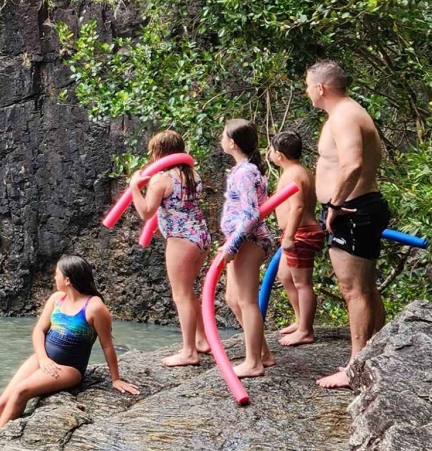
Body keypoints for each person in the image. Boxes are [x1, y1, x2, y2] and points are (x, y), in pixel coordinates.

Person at [0, 256, 139, 451]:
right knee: (3, 401)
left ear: (67, 279)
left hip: (68, 367)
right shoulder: (57, 298)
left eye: (57, 274)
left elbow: (107, 345)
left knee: (21, 391)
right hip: (43, 358)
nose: (53, 277)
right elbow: (39, 330)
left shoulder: (95, 307)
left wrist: (116, 379)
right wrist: (42, 358)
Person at [305, 59, 389, 389]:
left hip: (352, 210)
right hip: (359, 207)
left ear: (321, 88)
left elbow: (352, 164)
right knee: (365, 288)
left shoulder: (343, 116)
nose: (307, 92)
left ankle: (356, 365)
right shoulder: (349, 112)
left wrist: (335, 204)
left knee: (354, 291)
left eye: (308, 86)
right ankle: (375, 354)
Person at [128, 130, 210, 367]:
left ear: (159, 153)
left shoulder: (160, 179)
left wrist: (135, 187)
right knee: (189, 291)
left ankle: (189, 352)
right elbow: (179, 206)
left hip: (181, 240)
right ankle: (202, 340)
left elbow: (145, 211)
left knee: (181, 295)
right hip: (201, 236)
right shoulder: (192, 174)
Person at [219, 119, 275, 379]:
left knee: (247, 301)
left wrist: (233, 245)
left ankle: (254, 362)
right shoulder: (243, 169)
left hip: (249, 242)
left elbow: (251, 215)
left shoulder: (245, 172)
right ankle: (262, 352)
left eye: (223, 135)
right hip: (241, 241)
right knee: (233, 298)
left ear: (232, 142)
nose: (221, 138)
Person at [268, 130, 320, 347]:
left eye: (270, 150)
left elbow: (298, 205)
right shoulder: (298, 171)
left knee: (302, 282)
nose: (269, 153)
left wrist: (289, 235)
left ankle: (306, 330)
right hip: (295, 232)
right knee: (285, 276)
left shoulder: (294, 174)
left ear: (279, 155)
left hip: (301, 233)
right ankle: (300, 320)